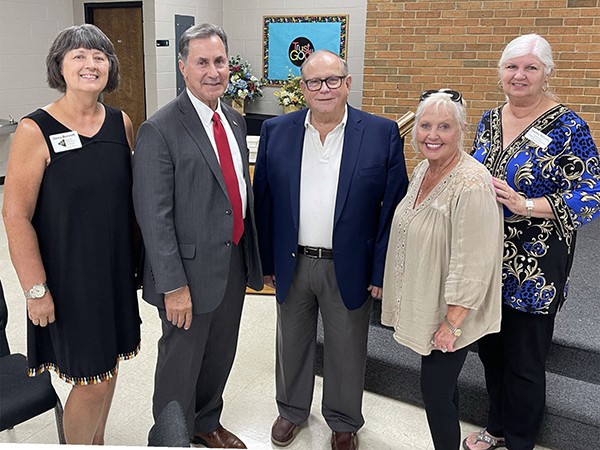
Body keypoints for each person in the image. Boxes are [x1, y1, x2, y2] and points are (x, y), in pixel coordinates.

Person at [253, 49, 408, 450]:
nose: (324, 89)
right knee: (291, 343)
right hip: (293, 261)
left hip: (350, 264)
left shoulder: (380, 133)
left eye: (332, 80)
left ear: (348, 83)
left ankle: (343, 421)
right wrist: (265, 263)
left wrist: (380, 272)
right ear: (302, 88)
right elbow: (264, 203)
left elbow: (392, 209)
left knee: (347, 348)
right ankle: (291, 410)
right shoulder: (277, 131)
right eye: (314, 82)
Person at [2, 24, 141, 444]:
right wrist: (35, 289)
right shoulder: (34, 130)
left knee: (109, 366)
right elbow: (15, 216)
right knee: (92, 380)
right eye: (78, 55)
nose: (90, 64)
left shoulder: (122, 123)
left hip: (114, 274)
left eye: (99, 56)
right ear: (59, 66)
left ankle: (95, 442)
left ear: (110, 68)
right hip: (67, 279)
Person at [464, 34, 600, 450]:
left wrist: (527, 204)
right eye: (511, 66)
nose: (519, 75)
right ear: (500, 72)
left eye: (530, 68)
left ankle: (520, 440)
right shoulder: (488, 120)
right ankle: (497, 427)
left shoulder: (568, 126)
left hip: (535, 265)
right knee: (491, 352)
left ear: (546, 74)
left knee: (525, 360)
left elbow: (591, 192)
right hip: (486, 259)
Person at [132, 23, 262, 449]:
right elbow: (154, 216)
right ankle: (170, 437)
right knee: (180, 363)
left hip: (231, 261)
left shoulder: (235, 121)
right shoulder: (161, 128)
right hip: (184, 275)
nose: (213, 71)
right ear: (183, 67)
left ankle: (206, 421)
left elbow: (235, 193)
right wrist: (173, 285)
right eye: (202, 62)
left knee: (220, 354)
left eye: (220, 61)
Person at [381, 89, 503, 450]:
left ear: (461, 130)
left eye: (444, 126)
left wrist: (452, 322)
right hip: (428, 299)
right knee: (440, 390)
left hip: (452, 312)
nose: (432, 135)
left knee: (434, 391)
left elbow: (476, 259)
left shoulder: (472, 182)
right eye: (425, 125)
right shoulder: (423, 169)